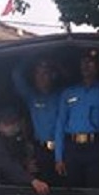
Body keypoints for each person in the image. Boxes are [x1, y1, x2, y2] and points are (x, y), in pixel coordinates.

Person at [54, 44, 99, 188]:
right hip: (72, 147)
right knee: (72, 190)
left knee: (95, 189)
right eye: (83, 62)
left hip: (95, 146)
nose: (86, 65)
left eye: (90, 62)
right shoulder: (69, 92)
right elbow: (60, 124)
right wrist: (58, 157)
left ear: (98, 66)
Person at [11, 57, 61, 185]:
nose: (40, 77)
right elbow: (16, 75)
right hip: (40, 150)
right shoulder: (32, 96)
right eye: (37, 73)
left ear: (52, 76)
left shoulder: (62, 96)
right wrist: (31, 56)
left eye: (45, 73)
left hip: (62, 149)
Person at [0, 106, 50, 195]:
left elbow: (16, 159)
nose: (14, 126)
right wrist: (32, 181)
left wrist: (26, 165)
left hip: (11, 187)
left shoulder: (16, 142)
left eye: (15, 123)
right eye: (8, 123)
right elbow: (8, 166)